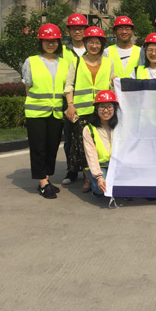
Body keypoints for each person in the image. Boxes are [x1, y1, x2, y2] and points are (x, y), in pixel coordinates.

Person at [63, 26, 115, 191]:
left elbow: (112, 87)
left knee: (100, 144)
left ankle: (101, 173)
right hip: (81, 111)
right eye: (90, 42)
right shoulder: (77, 62)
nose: (94, 45)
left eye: (97, 42)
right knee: (82, 146)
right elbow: (69, 85)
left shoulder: (108, 62)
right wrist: (70, 105)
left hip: (102, 112)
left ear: (102, 44)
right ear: (85, 43)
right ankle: (87, 178)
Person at [22, 24, 68, 199]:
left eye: (54, 41)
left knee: (52, 147)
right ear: (40, 42)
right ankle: (42, 182)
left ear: (59, 43)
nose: (50, 44)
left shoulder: (64, 63)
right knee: (38, 148)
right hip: (36, 113)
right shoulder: (31, 61)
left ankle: (46, 179)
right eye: (46, 41)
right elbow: (27, 87)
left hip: (56, 112)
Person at [61, 13, 88, 167]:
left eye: (80, 28)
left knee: (88, 137)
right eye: (74, 29)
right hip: (68, 100)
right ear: (68, 31)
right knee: (70, 137)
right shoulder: (62, 51)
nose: (77, 32)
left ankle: (88, 170)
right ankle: (71, 170)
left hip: (87, 101)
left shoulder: (93, 48)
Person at [83, 90, 119, 197]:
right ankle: (93, 182)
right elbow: (91, 155)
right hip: (100, 166)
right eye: (102, 107)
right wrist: (99, 177)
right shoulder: (89, 129)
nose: (106, 110)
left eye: (109, 106)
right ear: (96, 109)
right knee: (101, 189)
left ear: (114, 108)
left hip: (117, 165)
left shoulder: (120, 127)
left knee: (121, 187)